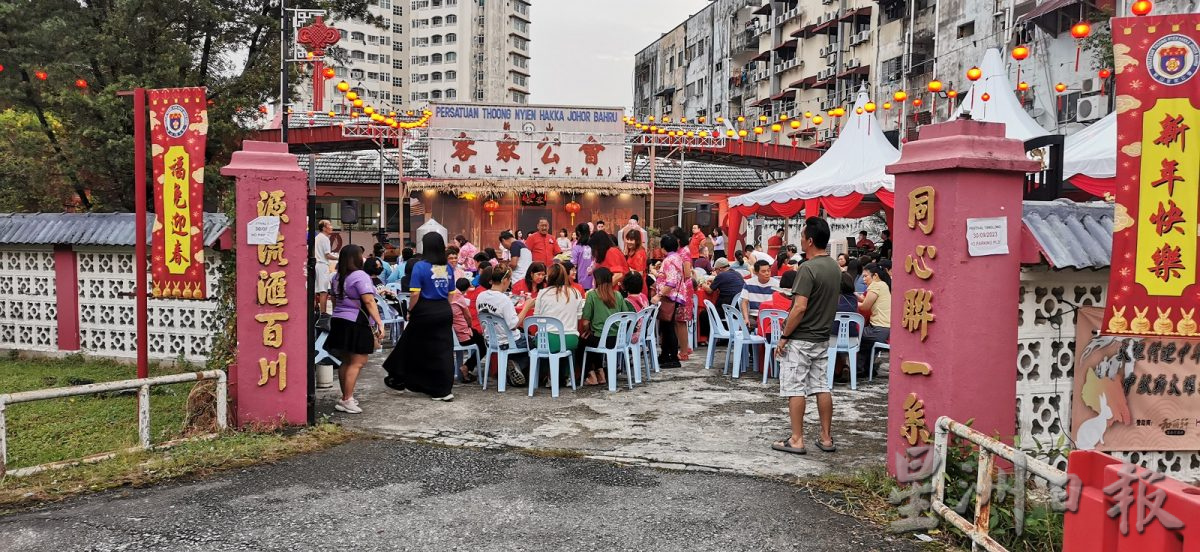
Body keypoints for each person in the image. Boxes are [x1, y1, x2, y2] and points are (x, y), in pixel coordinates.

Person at [773, 217, 840, 455]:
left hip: (801, 338)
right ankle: (826, 437)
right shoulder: (834, 267)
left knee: (795, 388)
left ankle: (797, 438)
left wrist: (784, 336)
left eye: (802, 236)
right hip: (822, 337)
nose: (800, 240)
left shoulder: (807, 268)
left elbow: (799, 307)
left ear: (809, 241)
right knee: (822, 386)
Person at [382, 233, 456, 401]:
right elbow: (451, 293)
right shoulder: (446, 267)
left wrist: (409, 310)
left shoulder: (420, 266)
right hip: (444, 310)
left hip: (424, 310)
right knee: (443, 350)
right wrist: (444, 306)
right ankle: (444, 389)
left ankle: (406, 377)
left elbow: (415, 294)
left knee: (417, 346)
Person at [326, 245, 384, 414]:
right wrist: (379, 323)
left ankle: (346, 396)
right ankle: (347, 399)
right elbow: (369, 301)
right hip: (356, 322)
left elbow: (335, 300)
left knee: (346, 360)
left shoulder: (336, 276)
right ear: (356, 258)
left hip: (339, 320)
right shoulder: (360, 275)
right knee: (358, 362)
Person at [476, 267, 536, 387]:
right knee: (535, 342)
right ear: (505, 280)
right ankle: (517, 365)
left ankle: (512, 367)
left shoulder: (481, 296)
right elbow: (514, 325)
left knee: (525, 338)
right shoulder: (504, 299)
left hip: (490, 340)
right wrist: (526, 307)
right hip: (509, 340)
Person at [533, 263, 584, 386]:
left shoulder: (543, 293)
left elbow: (536, 317)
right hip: (570, 339)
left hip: (547, 340)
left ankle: (548, 376)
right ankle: (567, 376)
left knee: (541, 341)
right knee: (567, 348)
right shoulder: (575, 292)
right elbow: (579, 316)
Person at [581, 267, 629, 385]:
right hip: (617, 339)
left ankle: (591, 374)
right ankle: (601, 373)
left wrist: (588, 330)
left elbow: (585, 322)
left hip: (600, 339)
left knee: (582, 343)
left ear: (597, 280)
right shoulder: (617, 295)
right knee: (595, 340)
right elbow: (626, 315)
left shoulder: (592, 295)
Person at [653, 234, 692, 368]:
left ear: (663, 248)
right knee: (666, 327)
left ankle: (672, 358)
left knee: (668, 328)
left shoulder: (669, 260)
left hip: (669, 297)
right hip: (675, 296)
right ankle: (665, 355)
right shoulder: (677, 257)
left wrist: (658, 296)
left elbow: (671, 282)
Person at [857, 263, 892, 378]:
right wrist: (856, 296)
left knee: (852, 335)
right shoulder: (884, 285)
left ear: (875, 275)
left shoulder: (875, 285)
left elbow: (865, 306)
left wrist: (852, 301)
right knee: (864, 343)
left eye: (866, 276)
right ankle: (863, 369)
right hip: (886, 330)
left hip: (877, 330)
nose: (863, 279)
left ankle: (853, 368)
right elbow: (868, 299)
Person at [449, 278, 480, 383]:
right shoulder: (459, 297)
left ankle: (465, 367)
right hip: (462, 335)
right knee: (484, 344)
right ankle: (466, 367)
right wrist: (470, 327)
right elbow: (468, 317)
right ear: (467, 288)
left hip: (451, 335)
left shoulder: (449, 295)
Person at [314, 220, 338, 317]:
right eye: (329, 225)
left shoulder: (317, 237)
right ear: (324, 228)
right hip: (322, 265)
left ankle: (316, 309)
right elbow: (327, 255)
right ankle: (323, 313)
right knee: (323, 291)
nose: (332, 227)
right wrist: (339, 257)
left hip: (317, 264)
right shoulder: (325, 239)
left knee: (317, 290)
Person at [742, 260, 778, 325]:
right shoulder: (748, 283)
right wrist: (746, 318)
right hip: (754, 315)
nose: (767, 273)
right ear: (756, 273)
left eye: (768, 270)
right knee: (745, 325)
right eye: (763, 271)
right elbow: (744, 302)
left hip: (771, 316)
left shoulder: (776, 284)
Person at [570, 222, 595, 290]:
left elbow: (573, 265)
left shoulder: (577, 248)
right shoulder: (594, 247)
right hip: (595, 282)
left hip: (581, 282)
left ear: (578, 233)